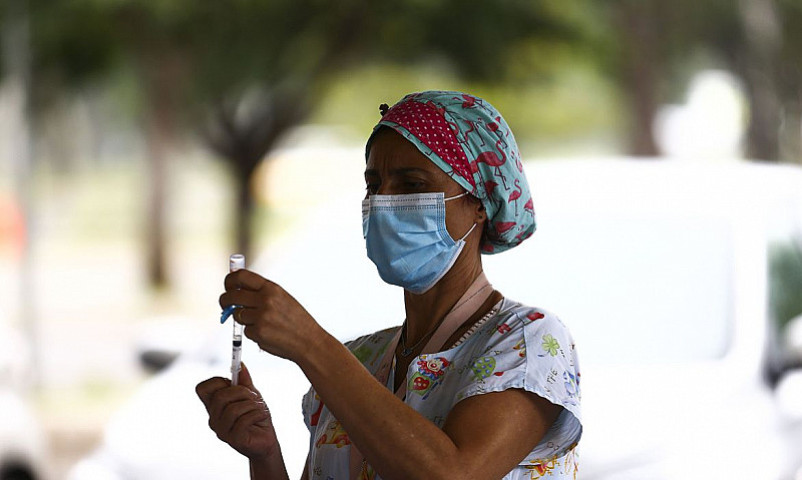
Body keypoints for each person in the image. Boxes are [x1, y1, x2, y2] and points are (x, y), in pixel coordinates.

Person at [196, 90, 582, 479]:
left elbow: (452, 475)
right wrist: (264, 455)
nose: (384, 201)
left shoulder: (527, 344)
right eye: (374, 184)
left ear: (480, 202)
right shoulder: (363, 359)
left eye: (411, 184)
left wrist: (310, 344)